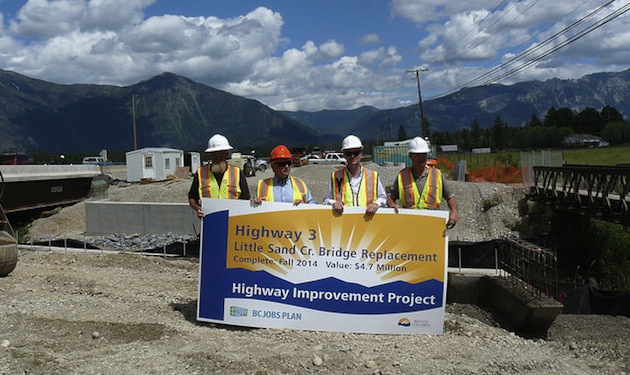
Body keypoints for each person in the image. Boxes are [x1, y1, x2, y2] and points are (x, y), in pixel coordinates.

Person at [386, 136, 458, 229]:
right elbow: (390, 197)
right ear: (410, 156)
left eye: (423, 154)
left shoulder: (437, 174)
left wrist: (454, 212)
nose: (421, 158)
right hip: (409, 225)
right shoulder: (402, 176)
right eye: (417, 155)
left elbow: (449, 196)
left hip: (432, 224)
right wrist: (392, 205)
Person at [188, 134, 251, 218]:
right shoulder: (200, 173)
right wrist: (198, 208)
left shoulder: (237, 173)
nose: (217, 156)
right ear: (210, 154)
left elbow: (246, 199)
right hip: (210, 221)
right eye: (214, 153)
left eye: (220, 152)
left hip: (233, 221)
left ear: (226, 154)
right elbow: (192, 197)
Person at [323, 135, 387, 215]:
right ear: (344, 155)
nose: (352, 156)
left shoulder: (373, 176)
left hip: (368, 222)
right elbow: (326, 200)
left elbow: (383, 198)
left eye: (356, 153)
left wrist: (376, 204)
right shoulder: (336, 176)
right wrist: (333, 203)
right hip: (344, 222)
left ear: (361, 154)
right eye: (349, 153)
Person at [252, 145, 316, 205]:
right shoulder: (263, 185)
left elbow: (312, 204)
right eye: (282, 163)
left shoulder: (300, 184)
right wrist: (255, 202)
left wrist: (305, 205)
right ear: (273, 166)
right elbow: (253, 208)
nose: (286, 166)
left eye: (288, 163)